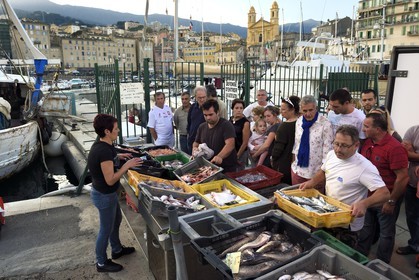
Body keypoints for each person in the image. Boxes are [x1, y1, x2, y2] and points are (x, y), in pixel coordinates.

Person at [300, 125, 390, 246]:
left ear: (356, 145)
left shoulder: (365, 167)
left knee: (340, 255)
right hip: (326, 213)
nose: (338, 149)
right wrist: (312, 182)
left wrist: (364, 203)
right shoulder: (332, 154)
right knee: (318, 246)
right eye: (336, 144)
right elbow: (324, 171)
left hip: (346, 224)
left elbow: (384, 193)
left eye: (344, 146)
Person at [87, 114, 143, 273]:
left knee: (116, 220)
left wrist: (118, 156)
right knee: (105, 229)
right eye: (116, 129)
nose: (118, 131)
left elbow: (107, 158)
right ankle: (101, 262)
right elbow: (110, 179)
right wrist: (127, 166)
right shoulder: (103, 151)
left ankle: (117, 249)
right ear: (106, 131)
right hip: (104, 195)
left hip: (108, 195)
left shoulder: (104, 144)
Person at [356, 113, 409, 263]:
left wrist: (391, 201)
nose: (363, 129)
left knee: (386, 233)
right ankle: (360, 258)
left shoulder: (395, 148)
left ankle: (381, 265)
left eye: (366, 126)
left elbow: (403, 177)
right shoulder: (368, 142)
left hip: (386, 199)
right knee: (366, 229)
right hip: (368, 197)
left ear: (378, 129)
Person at [291, 95, 334, 186]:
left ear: (316, 108)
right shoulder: (299, 121)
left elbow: (327, 151)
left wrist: (321, 175)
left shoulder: (325, 124)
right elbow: (296, 144)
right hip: (297, 170)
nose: (308, 114)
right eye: (305, 111)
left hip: (315, 174)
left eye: (311, 110)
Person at [193, 99, 237, 172]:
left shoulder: (226, 125)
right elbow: (196, 142)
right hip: (208, 168)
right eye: (205, 115)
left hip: (226, 168)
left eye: (211, 114)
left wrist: (219, 157)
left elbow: (230, 144)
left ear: (217, 112)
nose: (208, 118)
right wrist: (194, 149)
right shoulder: (202, 127)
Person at [397, 125, 419, 256]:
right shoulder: (413, 130)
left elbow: (408, 153)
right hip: (412, 182)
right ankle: (414, 245)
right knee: (412, 217)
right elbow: (403, 152)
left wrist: (412, 153)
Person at [271, 96, 301, 184]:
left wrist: (273, 158)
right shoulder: (300, 123)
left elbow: (278, 147)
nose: (281, 111)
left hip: (284, 163)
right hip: (296, 163)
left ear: (292, 110)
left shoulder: (284, 126)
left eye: (283, 109)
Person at [230, 99, 250, 171]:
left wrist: (237, 155)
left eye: (241, 108)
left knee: (238, 173)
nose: (239, 110)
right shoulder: (230, 120)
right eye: (236, 108)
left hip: (240, 152)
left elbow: (245, 142)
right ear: (232, 109)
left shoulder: (245, 122)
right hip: (230, 151)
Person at [187, 86, 207, 154]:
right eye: (199, 98)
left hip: (203, 143)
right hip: (192, 140)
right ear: (195, 97)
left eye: (203, 97)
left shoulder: (209, 108)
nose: (202, 100)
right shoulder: (192, 107)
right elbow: (189, 122)